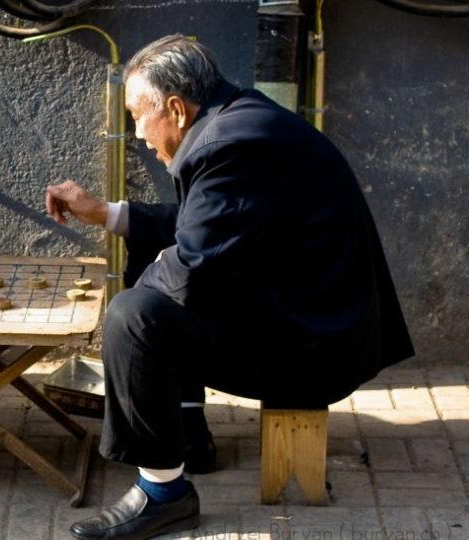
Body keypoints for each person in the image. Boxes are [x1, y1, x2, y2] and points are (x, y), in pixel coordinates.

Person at [45, 34, 414, 539]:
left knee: (134, 315)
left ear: (175, 108)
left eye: (137, 115)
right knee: (148, 283)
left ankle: (162, 494)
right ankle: (185, 430)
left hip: (312, 349)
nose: (136, 133)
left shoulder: (229, 146)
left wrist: (121, 331)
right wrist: (109, 215)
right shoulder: (239, 119)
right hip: (305, 317)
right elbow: (214, 223)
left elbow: (194, 269)